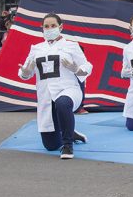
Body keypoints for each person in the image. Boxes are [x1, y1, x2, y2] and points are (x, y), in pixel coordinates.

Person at [17, 13, 92, 159]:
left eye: (53, 26)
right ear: (42, 29)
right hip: (46, 96)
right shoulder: (36, 49)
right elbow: (26, 73)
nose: (49, 29)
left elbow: (87, 67)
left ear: (61, 27)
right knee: (50, 146)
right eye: (46, 26)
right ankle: (70, 131)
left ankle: (68, 146)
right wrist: (25, 71)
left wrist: (75, 68)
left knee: (62, 103)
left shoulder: (71, 46)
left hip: (68, 90)